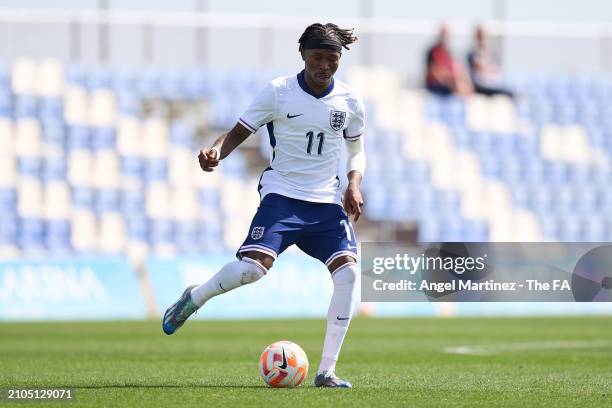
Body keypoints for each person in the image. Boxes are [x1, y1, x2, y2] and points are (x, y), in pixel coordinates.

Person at [162, 22, 366, 389]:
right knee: (253, 270)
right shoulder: (278, 92)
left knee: (349, 274)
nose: (324, 65)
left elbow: (356, 150)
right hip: (283, 197)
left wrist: (353, 183)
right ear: (302, 54)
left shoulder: (350, 101)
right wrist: (216, 152)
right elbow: (240, 130)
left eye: (331, 59)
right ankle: (194, 298)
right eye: (317, 57)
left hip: (325, 204)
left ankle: (326, 372)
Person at [425, 24, 473, 97]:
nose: (445, 36)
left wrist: (461, 81)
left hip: (450, 88)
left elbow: (458, 69)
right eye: (443, 34)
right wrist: (452, 80)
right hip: (436, 89)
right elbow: (435, 72)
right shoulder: (433, 51)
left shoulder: (449, 52)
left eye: (446, 34)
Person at [467, 25, 514, 98]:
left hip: (492, 83)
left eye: (483, 36)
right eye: (479, 36)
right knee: (507, 93)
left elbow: (496, 70)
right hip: (480, 86)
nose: (481, 38)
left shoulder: (490, 52)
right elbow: (478, 68)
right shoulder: (472, 53)